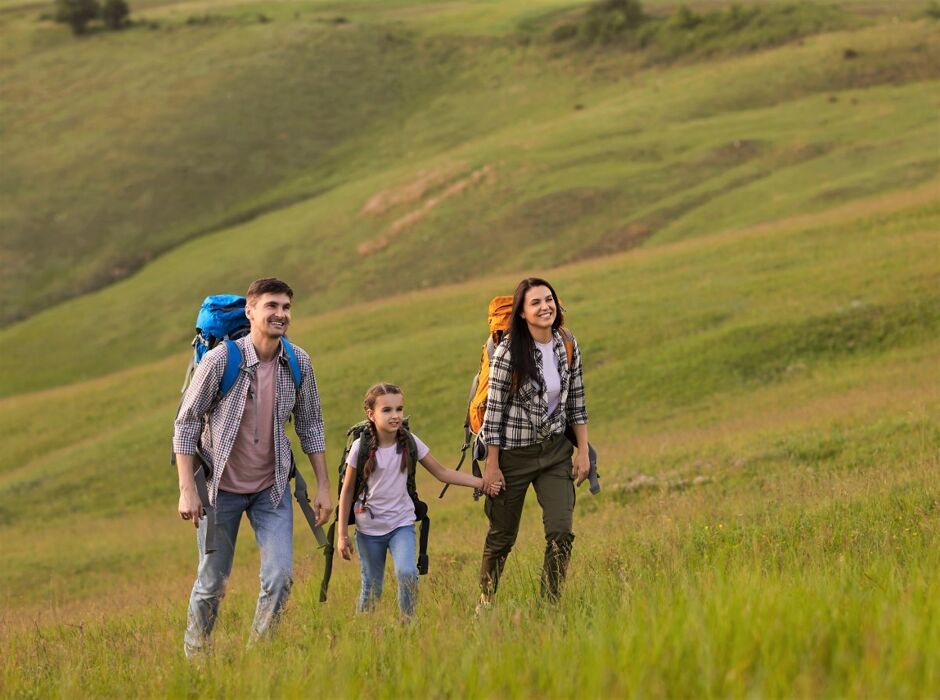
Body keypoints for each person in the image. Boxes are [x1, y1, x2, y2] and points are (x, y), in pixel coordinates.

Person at [174, 277, 331, 657]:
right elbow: (187, 422)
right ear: (251, 310)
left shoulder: (298, 361)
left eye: (286, 308)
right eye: (271, 306)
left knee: (280, 577)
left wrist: (324, 485)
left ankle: (257, 657)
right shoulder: (220, 360)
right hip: (218, 490)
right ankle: (197, 661)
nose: (280, 314)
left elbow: (310, 423)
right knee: (213, 582)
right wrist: (186, 488)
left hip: (271, 488)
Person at [337, 383, 497, 620]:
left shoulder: (409, 442)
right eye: (387, 410)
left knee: (408, 574)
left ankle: (407, 626)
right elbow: (347, 492)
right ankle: (364, 633)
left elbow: (441, 472)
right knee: (372, 589)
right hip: (369, 531)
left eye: (399, 409)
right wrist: (342, 535)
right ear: (370, 414)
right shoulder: (360, 448)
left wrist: (481, 483)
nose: (395, 416)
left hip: (401, 525)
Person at [479, 277, 590, 606]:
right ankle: (485, 602)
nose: (545, 307)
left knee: (561, 530)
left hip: (555, 452)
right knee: (502, 537)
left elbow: (577, 403)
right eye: (535, 303)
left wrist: (583, 451)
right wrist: (492, 467)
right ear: (522, 313)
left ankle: (550, 604)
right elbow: (493, 416)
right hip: (512, 455)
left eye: (549, 300)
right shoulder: (507, 354)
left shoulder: (566, 343)